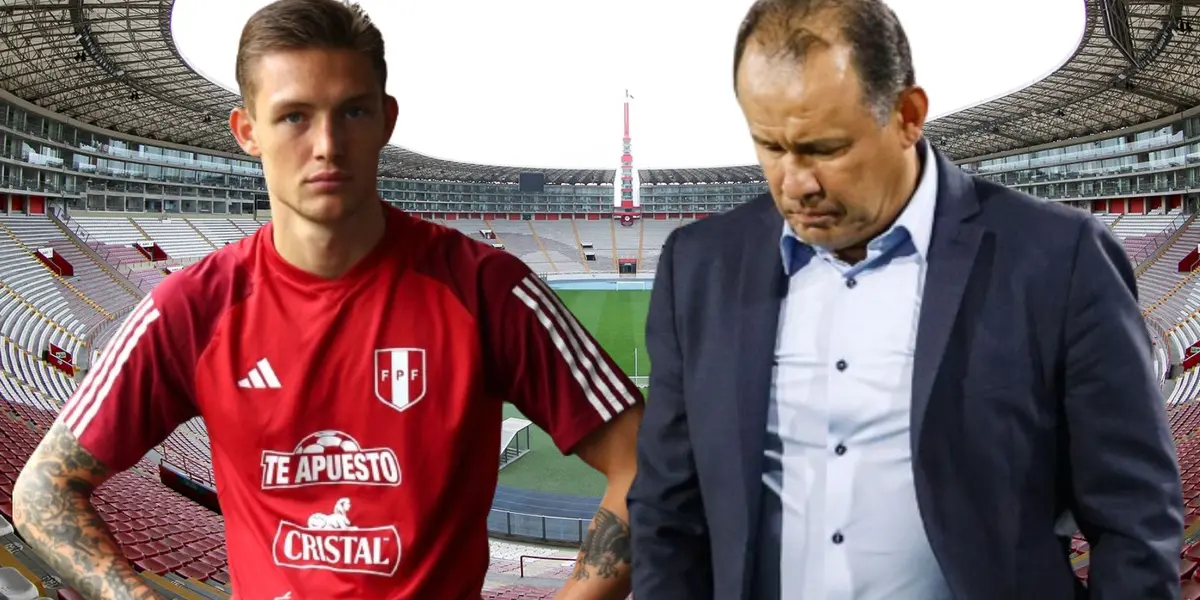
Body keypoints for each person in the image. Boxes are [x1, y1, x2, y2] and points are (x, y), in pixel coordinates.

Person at [12, 1, 643, 598]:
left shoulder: (486, 289)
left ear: (388, 119)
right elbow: (42, 490)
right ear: (246, 131)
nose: (326, 145)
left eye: (353, 112)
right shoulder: (193, 309)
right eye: (294, 116)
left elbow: (648, 465)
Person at [626, 0, 1183, 598]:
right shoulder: (700, 265)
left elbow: (1133, 515)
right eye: (770, 146)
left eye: (826, 148)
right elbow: (666, 511)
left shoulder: (1056, 258)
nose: (796, 183)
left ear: (908, 114)